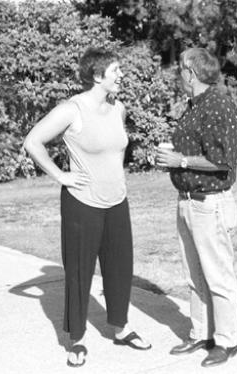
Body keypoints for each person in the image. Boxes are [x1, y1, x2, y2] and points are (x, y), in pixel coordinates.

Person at [24, 47, 151, 368]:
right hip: (82, 203)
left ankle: (120, 329)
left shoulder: (118, 108)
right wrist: (60, 176)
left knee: (120, 268)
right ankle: (77, 339)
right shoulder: (72, 109)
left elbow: (114, 152)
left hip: (117, 201)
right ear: (97, 76)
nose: (121, 75)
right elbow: (32, 141)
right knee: (80, 273)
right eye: (116, 70)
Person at [156, 47, 237, 368]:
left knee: (218, 276)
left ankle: (226, 341)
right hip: (187, 200)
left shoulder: (218, 104)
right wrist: (171, 161)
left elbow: (222, 161)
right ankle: (201, 333)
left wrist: (182, 160)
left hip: (209, 203)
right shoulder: (193, 106)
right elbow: (189, 152)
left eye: (180, 69)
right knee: (194, 274)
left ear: (191, 72)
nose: (178, 74)